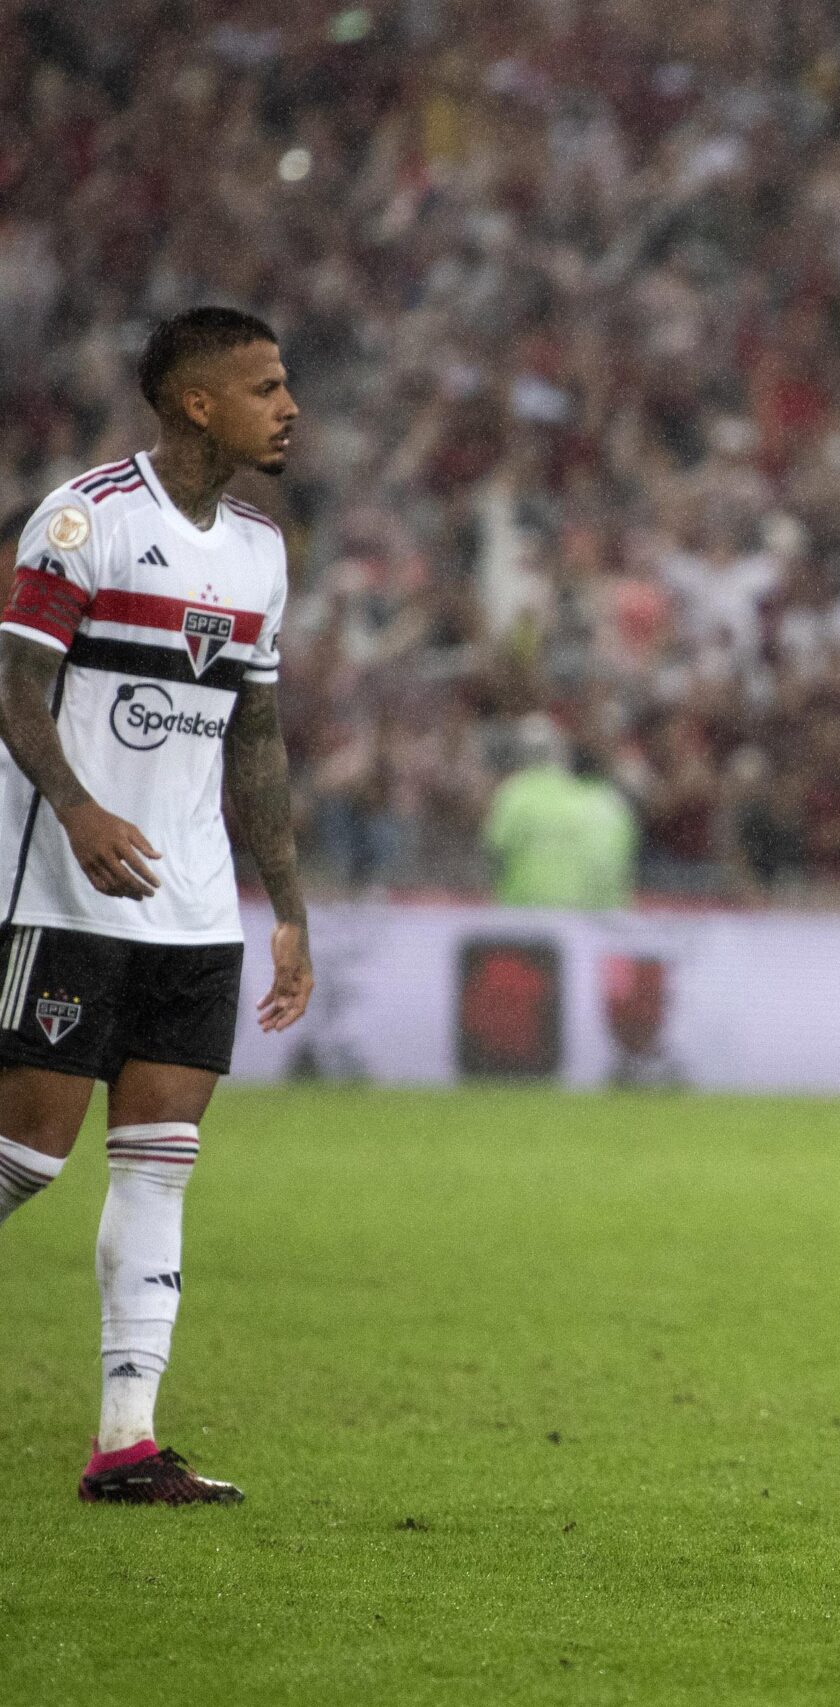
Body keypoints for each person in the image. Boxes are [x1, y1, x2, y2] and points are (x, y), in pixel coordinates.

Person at [0, 306, 314, 1504]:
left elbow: (260, 738)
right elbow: (18, 691)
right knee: (26, 1154)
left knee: (159, 1163)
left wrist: (283, 904)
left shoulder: (259, 549)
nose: (288, 406)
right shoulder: (85, 520)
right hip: (66, 887)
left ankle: (126, 1442)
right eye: (266, 386)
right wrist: (79, 810)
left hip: (189, 908)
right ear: (197, 403)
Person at [484, 715, 639, 909]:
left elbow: (493, 853)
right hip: (600, 925)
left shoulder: (515, 792)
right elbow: (626, 868)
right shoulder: (612, 804)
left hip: (528, 920)